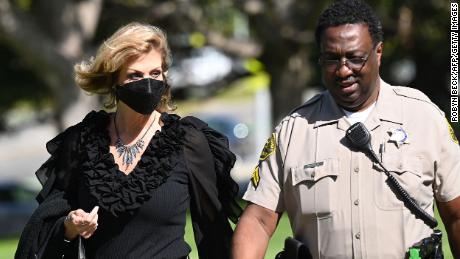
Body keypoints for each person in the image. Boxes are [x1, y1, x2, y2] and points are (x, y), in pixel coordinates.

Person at [232, 0, 460, 258]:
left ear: (379, 53)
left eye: (355, 58)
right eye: (332, 59)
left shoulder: (423, 118)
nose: (343, 70)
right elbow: (258, 222)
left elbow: (456, 215)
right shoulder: (293, 131)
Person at [15, 22, 241, 259]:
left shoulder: (188, 141)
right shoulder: (83, 141)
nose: (148, 84)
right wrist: (70, 227)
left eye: (155, 74)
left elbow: (213, 234)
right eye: (135, 75)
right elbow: (42, 230)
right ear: (114, 80)